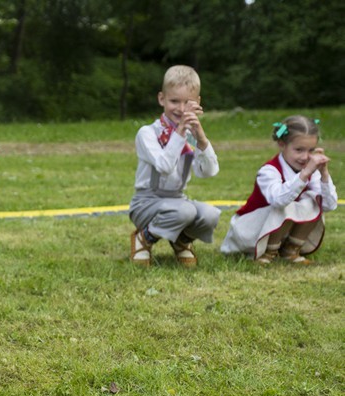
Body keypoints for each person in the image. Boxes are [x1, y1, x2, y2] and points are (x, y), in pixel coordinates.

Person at [129, 65, 220, 267]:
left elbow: (207, 172)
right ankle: (143, 238)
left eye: (187, 102)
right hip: (146, 203)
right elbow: (164, 166)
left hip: (177, 200)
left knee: (210, 215)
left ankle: (181, 241)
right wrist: (179, 133)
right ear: (162, 99)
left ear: (197, 103)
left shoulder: (191, 134)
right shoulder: (148, 133)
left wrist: (201, 138)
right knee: (185, 212)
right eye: (174, 101)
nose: (180, 109)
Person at [221, 116, 337, 264]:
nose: (305, 157)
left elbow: (329, 205)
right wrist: (305, 174)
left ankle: (290, 250)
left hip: (277, 229)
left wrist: (324, 175)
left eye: (311, 150)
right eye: (299, 150)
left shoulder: (311, 171)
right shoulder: (269, 171)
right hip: (250, 230)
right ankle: (267, 252)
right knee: (286, 205)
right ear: (282, 144)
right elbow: (279, 201)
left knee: (314, 201)